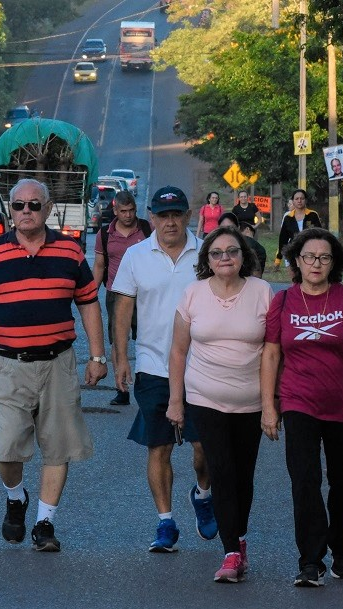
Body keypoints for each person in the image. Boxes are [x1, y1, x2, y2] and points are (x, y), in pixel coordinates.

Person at [0, 178, 107, 553]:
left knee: (58, 446)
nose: (26, 211)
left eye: (34, 205)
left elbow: (89, 303)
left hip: (58, 364)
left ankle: (45, 523)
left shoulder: (70, 251)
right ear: (10, 210)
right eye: (18, 206)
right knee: (5, 446)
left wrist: (97, 356)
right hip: (8, 366)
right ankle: (16, 497)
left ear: (49, 209)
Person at [260, 227, 343, 587]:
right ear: (297, 261)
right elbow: (270, 354)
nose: (316, 263)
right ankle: (310, 560)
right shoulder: (282, 302)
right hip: (299, 401)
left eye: (324, 257)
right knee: (305, 480)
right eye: (309, 257)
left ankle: (342, 550)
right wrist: (269, 405)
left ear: (334, 263)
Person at [112, 185, 218, 552]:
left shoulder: (207, 252)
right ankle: (165, 523)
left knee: (204, 447)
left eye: (177, 215)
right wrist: (120, 357)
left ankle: (203, 494)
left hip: (203, 366)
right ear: (152, 218)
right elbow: (123, 308)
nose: (170, 222)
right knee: (158, 447)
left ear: (189, 216)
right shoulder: (136, 256)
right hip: (153, 366)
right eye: (162, 215)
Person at [167, 226, 272, 583]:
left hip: (252, 401)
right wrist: (175, 401)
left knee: (244, 476)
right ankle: (230, 553)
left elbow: (274, 352)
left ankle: (239, 540)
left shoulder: (262, 292)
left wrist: (273, 402)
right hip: (205, 398)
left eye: (232, 251)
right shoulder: (193, 293)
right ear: (206, 260)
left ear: (243, 257)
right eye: (216, 253)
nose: (224, 257)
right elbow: (179, 350)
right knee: (222, 471)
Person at [93, 190, 152, 406]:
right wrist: (91, 293)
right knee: (118, 342)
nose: (128, 215)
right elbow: (99, 265)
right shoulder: (105, 234)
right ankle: (122, 389)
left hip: (145, 293)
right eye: (124, 211)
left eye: (132, 210)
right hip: (116, 294)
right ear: (115, 210)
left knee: (149, 338)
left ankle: (150, 384)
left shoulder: (147, 229)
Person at [273, 189, 322, 270]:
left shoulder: (312, 215)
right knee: (295, 280)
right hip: (293, 252)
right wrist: (278, 259)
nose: (299, 201)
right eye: (296, 199)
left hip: (310, 253)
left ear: (305, 200)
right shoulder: (288, 218)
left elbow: (320, 234)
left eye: (302, 198)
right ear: (293, 201)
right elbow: (283, 240)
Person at [218, 212, 265, 278]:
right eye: (222, 228)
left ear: (238, 228)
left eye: (230, 228)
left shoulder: (249, 246)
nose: (226, 231)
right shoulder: (215, 247)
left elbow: (257, 276)